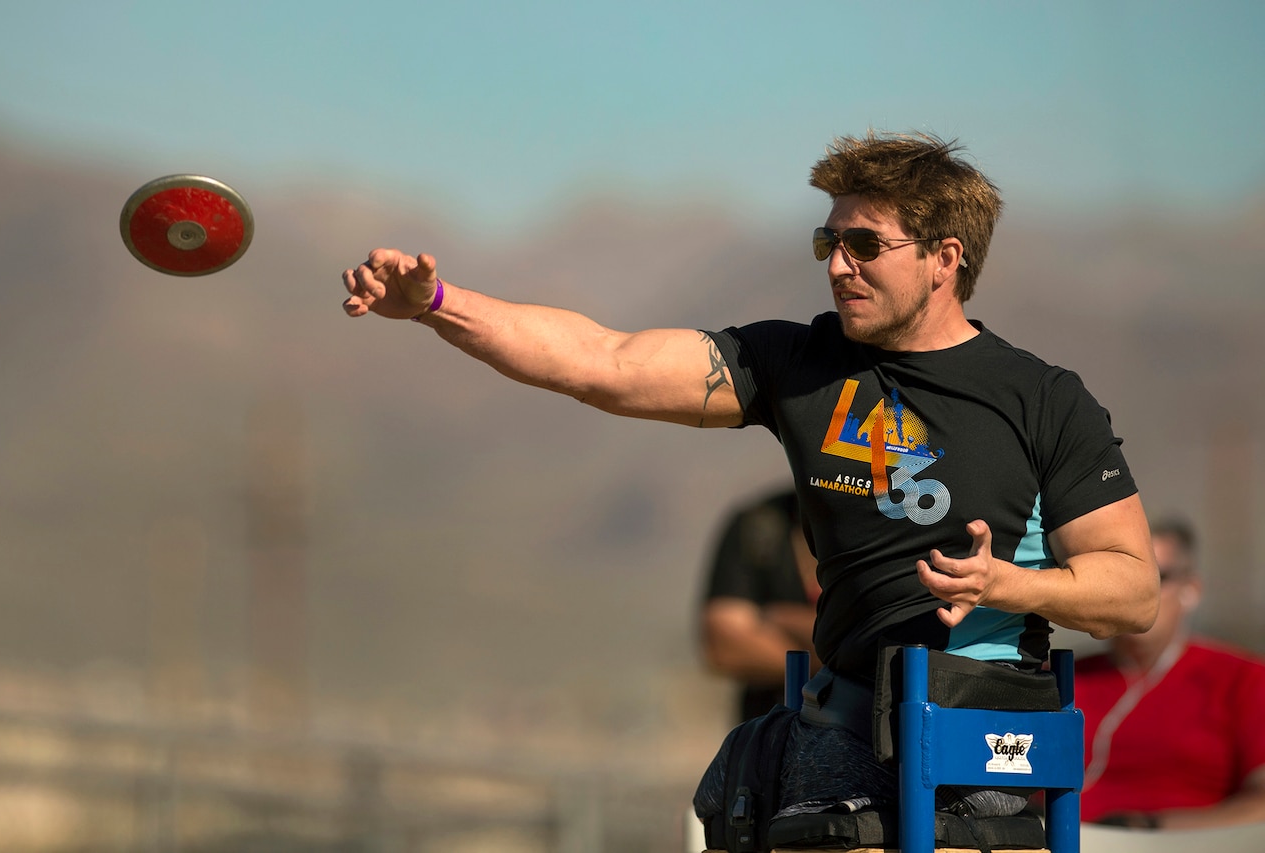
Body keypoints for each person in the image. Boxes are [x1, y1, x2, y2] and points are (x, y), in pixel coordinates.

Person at [341, 130, 1159, 824]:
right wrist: (436, 303)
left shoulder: (1045, 400)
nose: (838, 265)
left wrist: (1011, 586)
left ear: (945, 259)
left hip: (984, 744)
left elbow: (1132, 590)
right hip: (840, 733)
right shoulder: (797, 364)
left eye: (865, 244)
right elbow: (603, 362)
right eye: (827, 243)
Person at [1075, 517, 1265, 829]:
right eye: (1119, 580)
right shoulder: (1057, 680)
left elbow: (1261, 804)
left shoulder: (1244, 680)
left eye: (1155, 577)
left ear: (1191, 590)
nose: (1135, 593)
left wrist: (1152, 829)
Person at [699, 486, 821, 723]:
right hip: (774, 737)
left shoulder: (902, 517)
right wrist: (843, 658)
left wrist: (780, 619)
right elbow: (723, 646)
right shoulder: (760, 525)